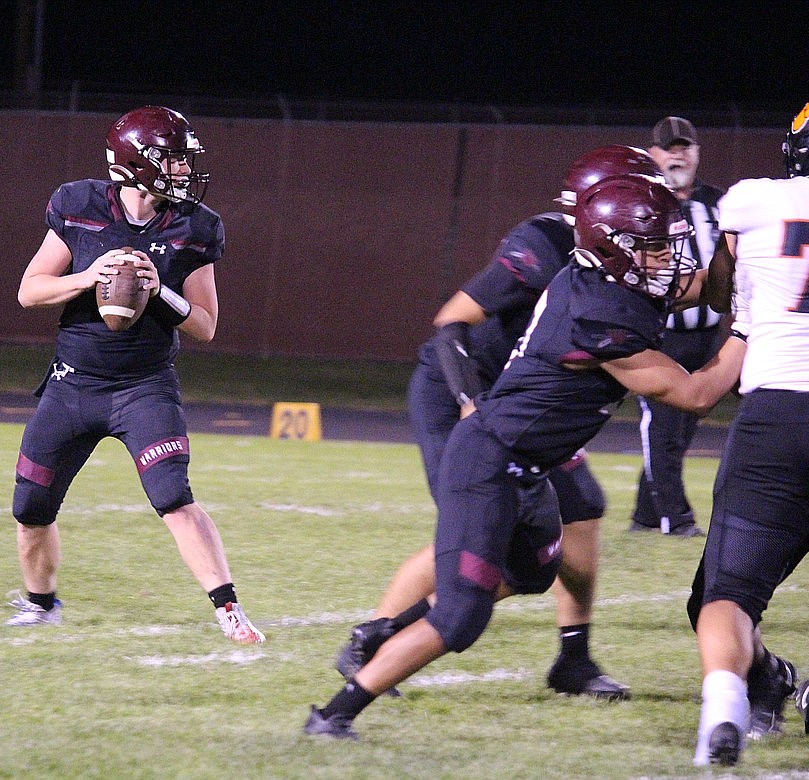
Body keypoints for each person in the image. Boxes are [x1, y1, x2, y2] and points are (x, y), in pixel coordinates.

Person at [305, 173, 748, 740]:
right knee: (461, 619)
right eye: (656, 245)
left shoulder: (615, 278)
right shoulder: (598, 313)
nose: (669, 258)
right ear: (618, 248)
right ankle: (336, 712)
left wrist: (737, 251)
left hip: (527, 464)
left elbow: (703, 289)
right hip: (489, 460)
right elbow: (695, 394)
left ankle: (383, 630)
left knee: (535, 571)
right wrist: (758, 328)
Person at [335, 146, 664, 703]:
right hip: (467, 399)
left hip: (525, 407)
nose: (657, 215)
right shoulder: (544, 245)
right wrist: (470, 401)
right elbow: (451, 324)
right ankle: (374, 640)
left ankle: (574, 658)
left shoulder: (633, 260)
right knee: (478, 531)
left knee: (580, 505)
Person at [4, 105, 264, 645]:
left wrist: (157, 290)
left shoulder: (196, 227)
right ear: (134, 163)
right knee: (30, 506)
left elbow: (206, 327)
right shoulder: (79, 206)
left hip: (144, 388)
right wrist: (89, 276)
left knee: (173, 495)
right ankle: (41, 605)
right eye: (170, 160)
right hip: (72, 383)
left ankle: (229, 611)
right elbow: (30, 290)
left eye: (183, 161)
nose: (182, 171)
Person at [691, 89, 809, 766]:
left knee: (726, 594)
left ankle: (724, 713)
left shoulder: (753, 199)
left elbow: (720, 291)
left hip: (776, 418)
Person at [628, 116, 726, 537]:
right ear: (654, 154)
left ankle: (645, 516)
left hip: (706, 336)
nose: (678, 154)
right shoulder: (642, 202)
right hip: (661, 336)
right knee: (664, 430)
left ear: (698, 153)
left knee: (679, 434)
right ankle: (677, 520)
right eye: (669, 147)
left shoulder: (720, 204)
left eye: (685, 146)